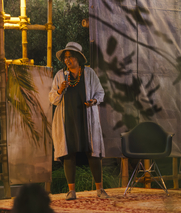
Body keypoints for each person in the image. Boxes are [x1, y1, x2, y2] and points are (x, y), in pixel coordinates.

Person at [49, 42, 109, 200]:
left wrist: (94, 101)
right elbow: (52, 99)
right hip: (67, 119)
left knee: (93, 152)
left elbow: (100, 92)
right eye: (65, 58)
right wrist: (60, 89)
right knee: (69, 153)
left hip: (86, 117)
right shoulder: (60, 76)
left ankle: (100, 189)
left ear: (78, 58)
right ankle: (71, 191)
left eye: (70, 57)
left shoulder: (89, 73)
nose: (67, 60)